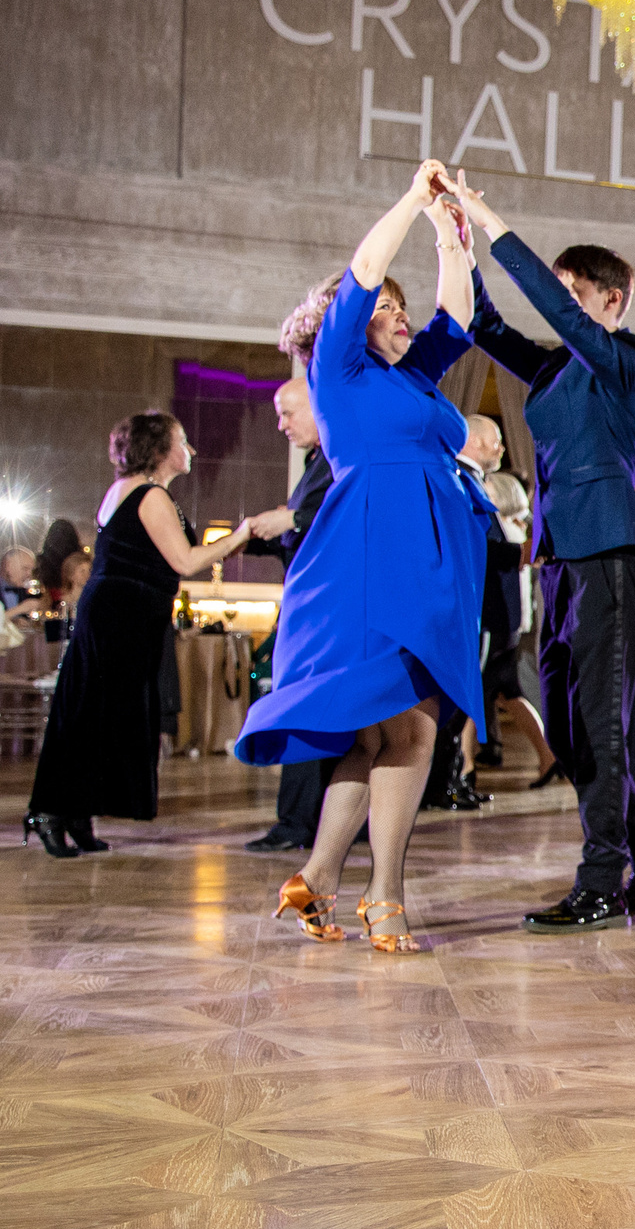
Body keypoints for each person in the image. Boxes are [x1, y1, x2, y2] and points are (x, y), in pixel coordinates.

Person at [232, 167, 488, 957]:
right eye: (386, 310)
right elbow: (366, 269)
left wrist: (452, 233)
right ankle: (386, 895)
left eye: (401, 312)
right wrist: (414, 200)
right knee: (412, 724)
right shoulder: (336, 371)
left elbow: (460, 313)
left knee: (378, 737)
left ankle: (314, 874)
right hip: (375, 557)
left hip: (427, 558)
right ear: (347, 325)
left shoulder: (411, 373)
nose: (401, 317)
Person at [445, 180, 635, 931]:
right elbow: (483, 323)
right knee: (566, 725)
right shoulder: (555, 371)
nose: (559, 305)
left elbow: (558, 316)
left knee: (603, 725)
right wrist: (453, 238)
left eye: (571, 292)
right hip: (558, 564)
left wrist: (491, 219)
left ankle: (601, 880)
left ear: (611, 300)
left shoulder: (628, 359)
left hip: (611, 562)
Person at [22, 412, 235, 856]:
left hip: (121, 616)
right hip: (120, 617)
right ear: (159, 451)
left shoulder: (133, 491)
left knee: (98, 716)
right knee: (94, 715)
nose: (191, 451)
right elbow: (185, 561)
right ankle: (52, 812)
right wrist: (242, 535)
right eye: (183, 442)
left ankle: (76, 813)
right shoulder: (149, 494)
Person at [238, 378, 342, 852]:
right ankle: (312, 821)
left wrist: (293, 520)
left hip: (325, 609)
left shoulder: (341, 456)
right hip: (313, 605)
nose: (280, 425)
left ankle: (298, 823)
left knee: (305, 711)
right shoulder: (317, 462)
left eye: (288, 413)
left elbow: (345, 515)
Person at [423, 413, 510, 811]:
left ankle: (451, 780)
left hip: (477, 610)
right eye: (496, 442)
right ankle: (441, 785)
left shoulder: (469, 480)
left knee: (462, 703)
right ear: (474, 442)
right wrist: (523, 552)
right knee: (454, 700)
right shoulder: (458, 479)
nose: (502, 450)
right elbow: (480, 545)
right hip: (468, 609)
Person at [475, 467, 556, 784]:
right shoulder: (515, 530)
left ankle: (467, 766)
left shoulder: (506, 531)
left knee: (483, 692)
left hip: (500, 620)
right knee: (508, 693)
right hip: (510, 620)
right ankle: (547, 755)